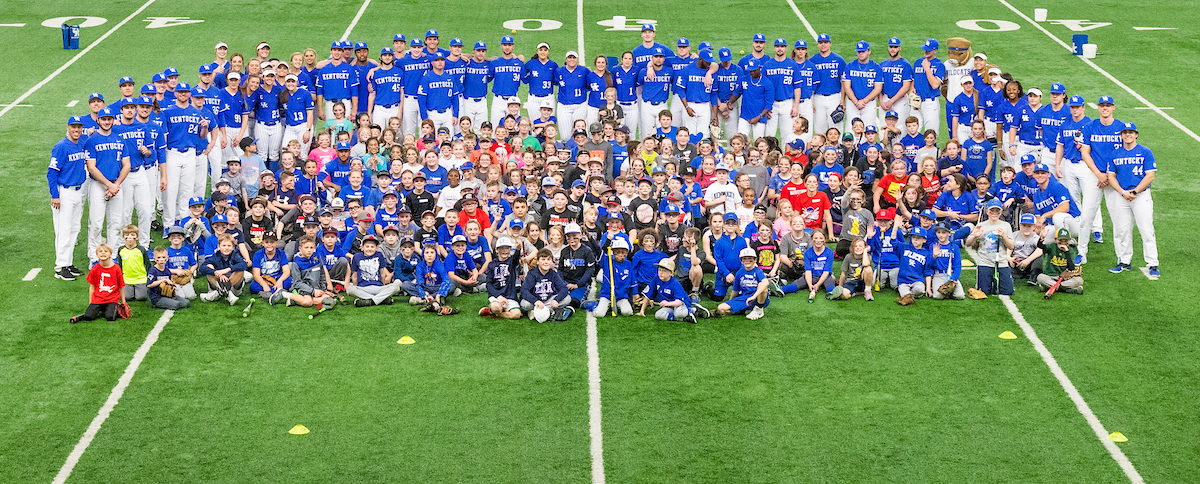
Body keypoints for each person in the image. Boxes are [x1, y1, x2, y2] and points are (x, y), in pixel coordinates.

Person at [1106, 122, 1158, 277]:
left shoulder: (1145, 152)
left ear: (1136, 134)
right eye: (1125, 133)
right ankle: (1124, 261)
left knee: (1146, 229)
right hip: (1122, 196)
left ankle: (1153, 263)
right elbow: (1111, 176)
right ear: (1121, 135)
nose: (1128, 135)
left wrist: (1135, 191)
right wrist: (1122, 192)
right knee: (1122, 229)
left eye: (1131, 132)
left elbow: (1150, 175)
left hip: (1141, 196)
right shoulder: (1115, 153)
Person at [83, 107, 131, 263]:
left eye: (109, 119)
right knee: (96, 222)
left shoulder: (119, 139)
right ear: (98, 120)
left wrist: (115, 185)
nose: (106, 122)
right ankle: (94, 256)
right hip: (98, 185)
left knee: (116, 222)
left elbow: (127, 165)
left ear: (112, 120)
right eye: (103, 119)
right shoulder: (92, 140)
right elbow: (91, 167)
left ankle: (113, 254)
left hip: (116, 185)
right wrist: (109, 185)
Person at [50, 116, 90, 280]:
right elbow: (52, 172)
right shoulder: (61, 146)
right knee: (64, 230)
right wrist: (55, 196)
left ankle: (68, 262)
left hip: (77, 191)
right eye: (73, 127)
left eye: (79, 127)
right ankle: (60, 267)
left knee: (74, 228)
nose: (76, 130)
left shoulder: (81, 142)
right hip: (64, 192)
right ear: (68, 127)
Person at [966, 199, 1015, 295]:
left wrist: (1004, 236)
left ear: (1001, 212)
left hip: (1001, 262)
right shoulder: (981, 225)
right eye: (992, 210)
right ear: (987, 211)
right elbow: (968, 243)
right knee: (984, 291)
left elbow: (1011, 246)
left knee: (1007, 291)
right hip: (985, 262)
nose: (994, 213)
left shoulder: (1006, 225)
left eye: (997, 211)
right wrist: (975, 236)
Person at [70, 244, 126, 324]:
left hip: (111, 299)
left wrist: (123, 301)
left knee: (111, 317)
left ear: (110, 254)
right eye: (100, 251)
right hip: (98, 298)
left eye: (106, 251)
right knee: (88, 316)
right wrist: (91, 302)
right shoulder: (94, 269)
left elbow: (121, 286)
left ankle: (108, 309)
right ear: (97, 255)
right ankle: (86, 314)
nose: (103, 253)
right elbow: (92, 287)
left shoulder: (116, 268)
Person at [716, 247, 770, 320]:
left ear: (755, 260)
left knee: (762, 285)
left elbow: (766, 282)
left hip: (757, 298)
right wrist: (731, 301)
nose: (747, 261)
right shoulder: (739, 273)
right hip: (745, 298)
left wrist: (754, 296)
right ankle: (745, 310)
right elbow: (735, 290)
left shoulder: (758, 271)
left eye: (750, 259)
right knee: (721, 308)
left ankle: (758, 309)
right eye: (744, 259)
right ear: (741, 261)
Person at [521, 248, 572, 322]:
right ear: (538, 261)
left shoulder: (553, 274)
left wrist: (556, 300)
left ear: (552, 262)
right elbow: (524, 290)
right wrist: (535, 301)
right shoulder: (532, 274)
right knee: (525, 304)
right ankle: (550, 311)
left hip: (548, 300)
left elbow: (563, 289)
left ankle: (536, 313)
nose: (546, 262)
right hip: (536, 301)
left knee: (567, 299)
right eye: (543, 259)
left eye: (548, 260)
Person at [347, 234, 400, 306]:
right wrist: (356, 287)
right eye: (367, 246)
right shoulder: (356, 257)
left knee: (396, 287)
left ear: (376, 248)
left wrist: (383, 284)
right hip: (363, 287)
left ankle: (370, 301)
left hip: (378, 287)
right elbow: (354, 274)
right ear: (362, 248)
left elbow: (382, 271)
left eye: (372, 247)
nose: (369, 249)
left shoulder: (379, 255)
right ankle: (381, 300)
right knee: (349, 289)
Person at [842, 41, 883, 132]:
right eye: (859, 52)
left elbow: (878, 88)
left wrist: (864, 101)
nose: (861, 54)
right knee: (850, 129)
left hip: (869, 103)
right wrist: (856, 102)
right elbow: (847, 87)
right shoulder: (850, 66)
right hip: (852, 103)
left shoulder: (876, 67)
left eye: (863, 51)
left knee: (868, 129)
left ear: (869, 51)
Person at [639, 259, 696, 324]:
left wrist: (667, 303)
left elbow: (679, 302)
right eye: (659, 270)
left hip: (681, 304)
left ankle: (693, 310)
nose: (660, 273)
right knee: (658, 315)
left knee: (679, 313)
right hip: (669, 307)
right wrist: (642, 311)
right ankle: (683, 318)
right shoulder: (656, 278)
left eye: (664, 271)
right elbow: (647, 295)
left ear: (671, 273)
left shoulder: (675, 283)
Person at [809, 33, 846, 136]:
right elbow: (809, 82)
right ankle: (821, 151)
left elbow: (844, 82)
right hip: (818, 97)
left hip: (835, 97)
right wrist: (811, 100)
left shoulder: (839, 60)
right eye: (821, 43)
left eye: (825, 42)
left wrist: (842, 101)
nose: (823, 45)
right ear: (817, 45)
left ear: (830, 44)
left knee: (836, 128)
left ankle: (838, 151)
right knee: (819, 128)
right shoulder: (812, 60)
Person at [417, 52, 461, 134]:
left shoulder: (449, 77)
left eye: (442, 60)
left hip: (447, 113)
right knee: (432, 140)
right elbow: (421, 99)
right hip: (432, 114)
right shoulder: (427, 78)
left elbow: (455, 98)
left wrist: (455, 115)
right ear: (432, 63)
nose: (440, 62)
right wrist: (425, 118)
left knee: (449, 140)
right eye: (437, 60)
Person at [480, 237, 523, 319]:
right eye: (502, 248)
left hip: (510, 296)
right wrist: (498, 296)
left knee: (516, 314)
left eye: (507, 248)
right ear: (497, 250)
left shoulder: (512, 262)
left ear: (510, 249)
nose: (504, 250)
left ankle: (491, 313)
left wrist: (518, 249)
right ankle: (495, 309)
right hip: (497, 295)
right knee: (496, 308)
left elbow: (516, 258)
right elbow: (489, 284)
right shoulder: (491, 264)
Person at [198, 233, 248, 304]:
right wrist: (216, 272)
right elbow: (202, 268)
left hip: (233, 286)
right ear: (219, 246)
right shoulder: (215, 256)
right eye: (224, 245)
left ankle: (218, 293)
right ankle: (227, 294)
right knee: (209, 266)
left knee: (240, 270)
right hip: (218, 283)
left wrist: (227, 269)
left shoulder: (235, 255)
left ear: (233, 247)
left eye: (229, 246)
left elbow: (244, 264)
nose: (226, 248)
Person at [1037, 228, 1083, 294]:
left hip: (1065, 279)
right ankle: (1065, 289)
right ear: (1055, 240)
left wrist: (1067, 252)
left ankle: (1051, 287)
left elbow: (1071, 268)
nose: (1063, 243)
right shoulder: (1052, 246)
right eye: (1061, 241)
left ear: (1069, 241)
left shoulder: (1070, 250)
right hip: (1051, 276)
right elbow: (1040, 246)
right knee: (1040, 277)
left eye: (1065, 241)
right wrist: (1042, 238)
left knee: (1079, 280)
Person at [895, 226, 934, 306]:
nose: (915, 239)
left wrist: (928, 288)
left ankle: (909, 296)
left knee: (920, 290)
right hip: (903, 281)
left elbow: (928, 271)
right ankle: (907, 295)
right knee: (905, 294)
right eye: (913, 237)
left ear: (924, 240)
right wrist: (895, 227)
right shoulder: (904, 247)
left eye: (918, 238)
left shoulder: (926, 254)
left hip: (917, 280)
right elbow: (893, 243)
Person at [912, 39, 945, 134]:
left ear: (935, 51)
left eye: (929, 50)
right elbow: (913, 80)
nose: (926, 51)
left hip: (930, 102)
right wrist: (912, 88)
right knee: (912, 131)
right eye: (925, 49)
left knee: (931, 133)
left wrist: (927, 68)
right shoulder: (918, 62)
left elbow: (935, 85)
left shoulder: (939, 65)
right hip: (916, 102)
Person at [249, 231, 291, 303]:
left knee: (290, 281)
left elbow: (286, 271)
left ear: (277, 243)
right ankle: (279, 292)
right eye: (267, 242)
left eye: (272, 242)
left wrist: (280, 281)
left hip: (277, 278)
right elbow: (256, 274)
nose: (269, 244)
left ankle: (268, 293)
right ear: (262, 243)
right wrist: (264, 285)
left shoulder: (281, 253)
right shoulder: (258, 254)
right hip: (264, 279)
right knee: (253, 286)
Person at [146, 246, 190, 310]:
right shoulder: (153, 270)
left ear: (167, 258)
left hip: (167, 295)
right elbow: (149, 284)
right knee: (176, 304)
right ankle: (157, 304)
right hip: (157, 297)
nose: (161, 259)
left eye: (163, 257)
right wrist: (163, 280)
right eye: (159, 257)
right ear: (155, 259)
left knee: (186, 303)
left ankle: (169, 301)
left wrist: (172, 283)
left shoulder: (167, 271)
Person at [115, 225, 150, 301]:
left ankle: (142, 288)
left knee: (141, 297)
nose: (130, 237)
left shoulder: (141, 250)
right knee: (128, 297)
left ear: (137, 237)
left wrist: (148, 278)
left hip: (140, 279)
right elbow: (120, 265)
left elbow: (147, 264)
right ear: (124, 237)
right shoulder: (121, 250)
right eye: (127, 235)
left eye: (133, 235)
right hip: (127, 279)